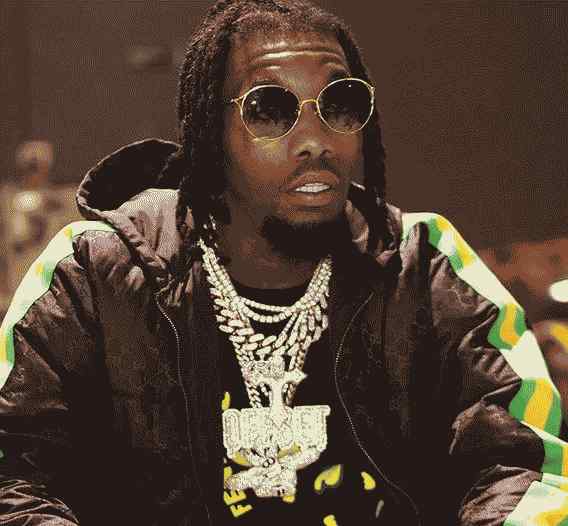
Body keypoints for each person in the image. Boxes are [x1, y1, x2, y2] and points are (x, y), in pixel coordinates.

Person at [0, 1, 566, 524]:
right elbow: (12, 475)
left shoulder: (425, 265)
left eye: (340, 103)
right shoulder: (92, 272)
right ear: (209, 132)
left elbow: (525, 465)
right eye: (270, 109)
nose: (316, 140)